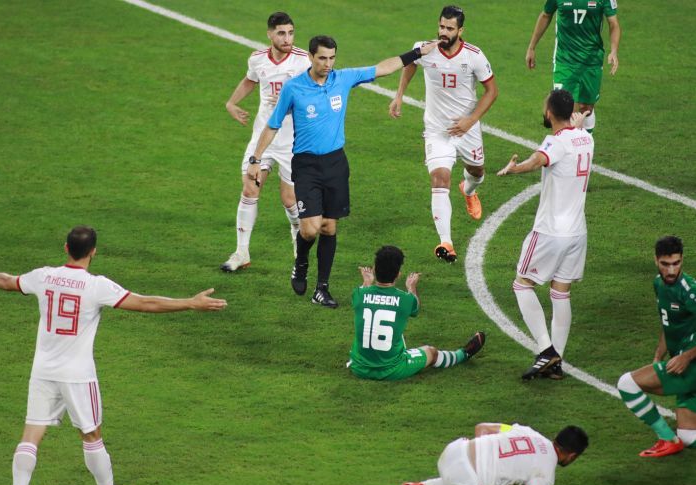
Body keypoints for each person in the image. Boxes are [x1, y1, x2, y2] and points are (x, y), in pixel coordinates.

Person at [0, 226, 227, 485]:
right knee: (91, 435)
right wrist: (190, 303)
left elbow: (7, 281)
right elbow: (146, 303)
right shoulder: (96, 286)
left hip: (43, 371)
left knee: (31, 434)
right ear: (93, 251)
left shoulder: (44, 276)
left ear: (66, 248)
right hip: (78, 375)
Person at [247, 35, 438, 308]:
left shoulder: (343, 79)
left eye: (332, 58)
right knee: (310, 229)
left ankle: (321, 289)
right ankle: (301, 263)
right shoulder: (294, 88)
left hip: (335, 164)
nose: (328, 64)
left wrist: (416, 53)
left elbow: (382, 68)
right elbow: (272, 125)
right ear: (311, 57)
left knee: (329, 227)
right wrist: (256, 159)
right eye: (322, 58)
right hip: (306, 165)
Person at [389, 5, 498, 263]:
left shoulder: (474, 56)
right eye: (441, 26)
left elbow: (492, 91)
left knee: (477, 172)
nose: (444, 32)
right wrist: (399, 95)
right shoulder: (425, 49)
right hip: (437, 130)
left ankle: (468, 191)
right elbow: (410, 64)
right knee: (439, 179)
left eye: (450, 28)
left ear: (461, 30)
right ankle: (446, 242)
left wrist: (471, 120)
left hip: (467, 129)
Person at [497, 89, 594, 381]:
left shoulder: (555, 141)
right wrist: (577, 125)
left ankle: (545, 349)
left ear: (550, 112)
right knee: (560, 292)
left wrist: (516, 168)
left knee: (522, 284)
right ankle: (556, 363)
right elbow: (575, 135)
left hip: (551, 231)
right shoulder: (586, 138)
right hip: (577, 232)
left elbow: (538, 159)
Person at [220, 12, 310, 272]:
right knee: (249, 189)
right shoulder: (257, 59)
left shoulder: (304, 60)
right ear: (270, 34)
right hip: (263, 138)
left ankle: (297, 239)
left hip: (292, 142)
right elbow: (250, 79)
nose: (287, 38)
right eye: (281, 33)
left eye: (291, 33)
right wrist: (231, 103)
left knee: (289, 199)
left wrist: (294, 102)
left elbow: (318, 90)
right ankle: (241, 252)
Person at [347, 245, 484, 380]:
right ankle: (462, 355)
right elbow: (415, 308)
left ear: (374, 269)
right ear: (398, 274)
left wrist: (367, 282)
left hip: (359, 367)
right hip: (392, 369)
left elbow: (361, 297)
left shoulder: (359, 293)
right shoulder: (406, 299)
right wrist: (411, 287)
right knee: (430, 352)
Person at [616, 235, 696, 458]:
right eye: (665, 264)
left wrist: (687, 357)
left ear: (682, 260)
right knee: (689, 436)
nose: (671, 270)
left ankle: (667, 438)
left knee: (627, 383)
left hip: (691, 364)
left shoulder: (689, 291)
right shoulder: (658, 284)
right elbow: (668, 323)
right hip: (681, 360)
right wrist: (658, 356)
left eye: (676, 263)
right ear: (655, 260)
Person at [389, 422, 588, 485]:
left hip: (453, 451)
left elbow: (481, 428)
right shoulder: (546, 475)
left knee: (475, 476)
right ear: (572, 455)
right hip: (465, 482)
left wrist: (488, 456)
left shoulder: (528, 431)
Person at [525, 0, 621, 134]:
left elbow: (613, 23)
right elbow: (546, 15)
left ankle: (587, 142)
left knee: (586, 108)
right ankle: (562, 145)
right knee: (561, 109)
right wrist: (531, 47)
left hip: (591, 60)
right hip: (565, 61)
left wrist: (614, 50)